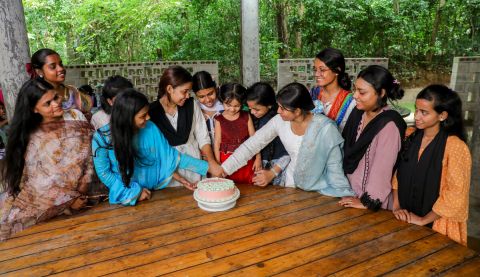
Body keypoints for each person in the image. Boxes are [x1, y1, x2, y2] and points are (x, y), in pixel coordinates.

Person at [0, 78, 96, 241]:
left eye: (56, 97)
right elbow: (41, 182)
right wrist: (69, 201)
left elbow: (89, 156)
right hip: (47, 204)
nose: (55, 104)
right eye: (47, 103)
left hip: (86, 191)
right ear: (34, 109)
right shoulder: (31, 136)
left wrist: (83, 188)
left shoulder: (75, 116)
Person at [221, 82, 354, 196]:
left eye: (283, 108)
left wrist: (342, 192)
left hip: (318, 190)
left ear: (297, 111)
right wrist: (224, 170)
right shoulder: (279, 121)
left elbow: (334, 166)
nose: (278, 111)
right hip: (290, 186)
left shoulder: (325, 128)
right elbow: (251, 145)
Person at [92, 89, 210, 206]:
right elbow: (104, 173)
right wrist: (134, 192)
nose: (148, 117)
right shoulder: (101, 139)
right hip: (127, 198)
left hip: (156, 194)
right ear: (127, 117)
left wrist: (207, 168)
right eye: (143, 116)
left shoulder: (150, 128)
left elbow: (170, 156)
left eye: (147, 113)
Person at [392, 85, 471, 246]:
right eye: (416, 109)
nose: (417, 116)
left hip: (436, 224)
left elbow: (456, 194)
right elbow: (398, 176)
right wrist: (397, 207)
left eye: (424, 112)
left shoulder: (455, 146)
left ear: (442, 115)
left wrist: (423, 220)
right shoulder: (412, 136)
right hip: (405, 217)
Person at [339, 65, 406, 211]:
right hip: (349, 194)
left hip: (372, 204)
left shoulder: (389, 125)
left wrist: (367, 201)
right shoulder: (358, 114)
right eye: (355, 90)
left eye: (362, 92)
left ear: (381, 93)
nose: (355, 96)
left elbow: (383, 171)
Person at [149, 66, 223, 186]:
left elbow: (202, 136)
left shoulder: (191, 105)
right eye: (184, 91)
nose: (188, 96)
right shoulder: (151, 112)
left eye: (189, 92)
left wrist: (211, 162)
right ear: (169, 89)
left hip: (196, 169)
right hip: (168, 172)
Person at [214, 83, 261, 184]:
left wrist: (258, 158)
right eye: (228, 105)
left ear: (242, 103)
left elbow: (254, 139)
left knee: (248, 187)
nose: (232, 109)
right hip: (226, 161)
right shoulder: (219, 119)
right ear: (222, 101)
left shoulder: (246, 116)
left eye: (237, 106)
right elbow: (217, 142)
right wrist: (217, 164)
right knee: (227, 187)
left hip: (246, 159)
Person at [246, 82, 289, 186]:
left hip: (279, 170)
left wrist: (273, 172)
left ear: (269, 105)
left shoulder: (281, 121)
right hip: (260, 168)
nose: (252, 112)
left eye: (256, 109)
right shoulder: (252, 119)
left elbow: (288, 154)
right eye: (249, 108)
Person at [30, 48, 92, 116]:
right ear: (39, 72)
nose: (61, 69)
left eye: (61, 64)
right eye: (53, 66)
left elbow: (85, 115)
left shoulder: (72, 91)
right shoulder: (36, 96)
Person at [310, 47, 356, 132]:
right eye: (315, 69)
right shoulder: (313, 93)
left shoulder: (351, 102)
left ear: (337, 71)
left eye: (322, 70)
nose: (316, 74)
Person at [192, 71, 223, 144]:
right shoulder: (194, 109)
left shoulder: (226, 106)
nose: (208, 100)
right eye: (201, 96)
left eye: (210, 93)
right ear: (195, 95)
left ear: (215, 88)